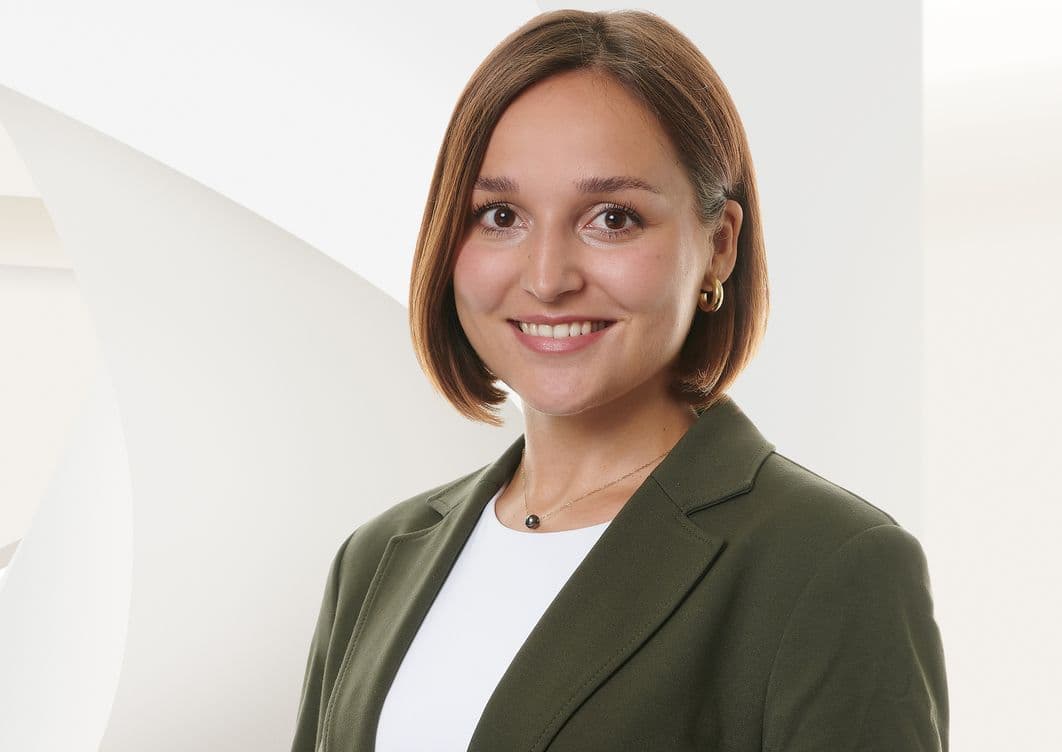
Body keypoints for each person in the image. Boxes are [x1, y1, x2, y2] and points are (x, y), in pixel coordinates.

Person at [291, 9, 948, 752]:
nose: (547, 279)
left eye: (612, 218)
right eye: (500, 215)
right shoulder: (378, 557)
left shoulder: (830, 564)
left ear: (719, 245)